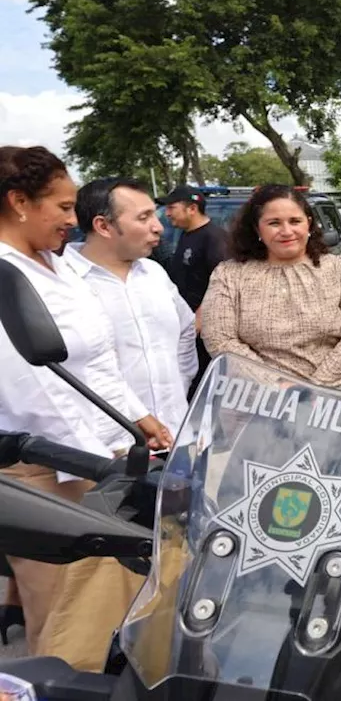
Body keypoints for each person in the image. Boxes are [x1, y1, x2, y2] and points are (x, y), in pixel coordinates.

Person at [0, 146, 169, 669]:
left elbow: (96, 362)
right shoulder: (6, 274)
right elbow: (35, 387)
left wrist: (139, 424)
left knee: (113, 605)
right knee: (63, 613)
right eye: (64, 207)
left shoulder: (54, 264)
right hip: (40, 466)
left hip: (94, 458)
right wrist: (100, 464)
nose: (73, 221)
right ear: (19, 201)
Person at [200, 185, 341, 391]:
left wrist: (315, 387)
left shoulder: (339, 269)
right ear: (257, 228)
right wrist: (275, 385)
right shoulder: (229, 275)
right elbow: (219, 339)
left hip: (331, 404)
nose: (286, 231)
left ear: (309, 225)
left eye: (295, 221)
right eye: (274, 223)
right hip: (254, 407)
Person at [63, 177, 199, 436]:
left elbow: (185, 329)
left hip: (176, 435)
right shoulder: (64, 282)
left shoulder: (154, 273)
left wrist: (177, 388)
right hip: (109, 450)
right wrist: (135, 416)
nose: (158, 227)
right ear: (103, 226)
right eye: (144, 217)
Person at [159, 183, 228, 393]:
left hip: (204, 328)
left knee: (207, 384)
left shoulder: (214, 239)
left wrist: (200, 317)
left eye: (172, 208)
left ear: (192, 208)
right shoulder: (187, 235)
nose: (167, 213)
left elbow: (222, 284)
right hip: (186, 324)